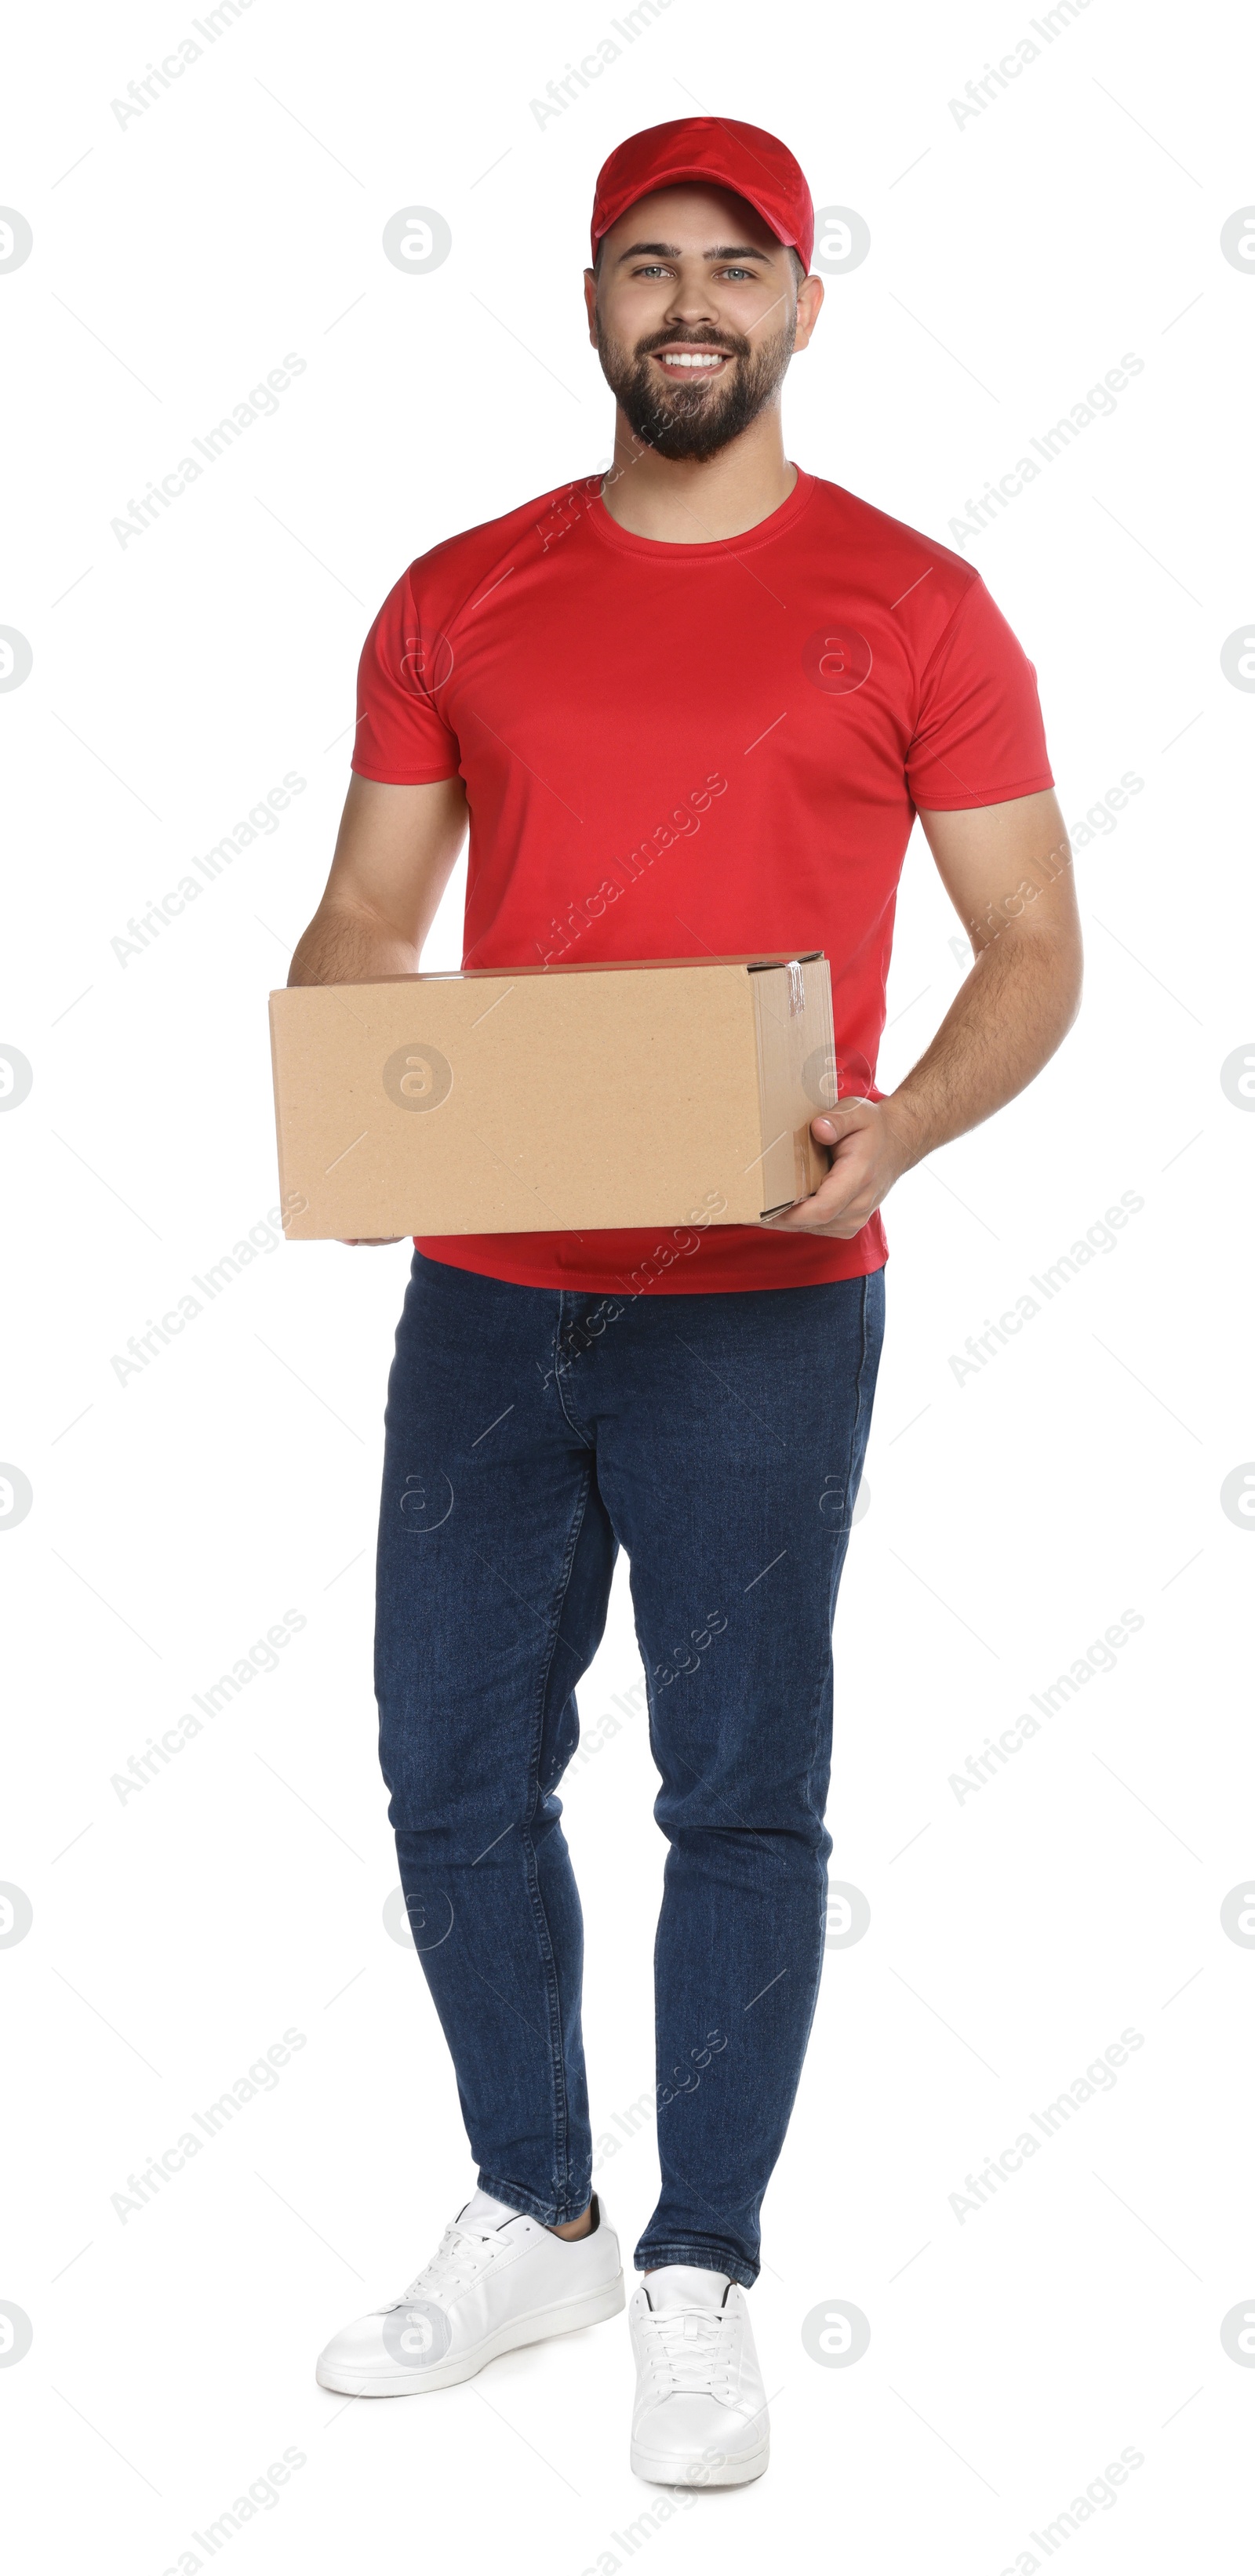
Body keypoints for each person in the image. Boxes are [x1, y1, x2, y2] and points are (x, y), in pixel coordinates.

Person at [294, 116, 1082, 2487]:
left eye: (736, 265)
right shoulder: (460, 594)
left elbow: (1035, 952)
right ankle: (535, 2207)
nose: (691, 305)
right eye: (647, 265)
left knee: (738, 1794)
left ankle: (700, 2270)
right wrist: (353, 1080)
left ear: (806, 307)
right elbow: (365, 910)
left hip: (767, 1288)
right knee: (448, 1765)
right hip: (488, 1290)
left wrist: (901, 1125)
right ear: (591, 302)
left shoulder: (920, 606)